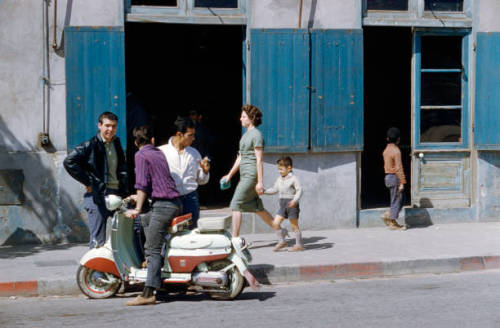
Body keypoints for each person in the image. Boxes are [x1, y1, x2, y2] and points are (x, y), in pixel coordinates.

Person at [125, 125, 181, 306]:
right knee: (146, 224)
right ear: (153, 141)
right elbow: (152, 183)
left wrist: (137, 208)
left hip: (163, 205)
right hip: (173, 203)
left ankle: (148, 293)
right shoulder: (158, 153)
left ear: (135, 142)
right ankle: (157, 275)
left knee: (152, 248)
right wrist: (139, 199)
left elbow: (141, 184)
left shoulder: (140, 155)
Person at [63, 112, 129, 248]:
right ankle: (94, 270)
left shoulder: (116, 143)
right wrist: (88, 182)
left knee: (123, 239)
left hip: (117, 195)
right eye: (107, 126)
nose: (110, 129)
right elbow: (69, 162)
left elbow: (122, 169)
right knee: (98, 241)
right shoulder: (90, 145)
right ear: (99, 125)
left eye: (114, 126)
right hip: (97, 196)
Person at [220, 104, 276, 237]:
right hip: (244, 174)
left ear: (251, 118)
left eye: (243, 116)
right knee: (257, 208)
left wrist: (260, 182)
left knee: (236, 204)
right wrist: (229, 175)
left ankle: (235, 239)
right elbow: (240, 158)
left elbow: (259, 160)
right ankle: (281, 232)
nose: (240, 119)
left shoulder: (256, 135)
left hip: (251, 175)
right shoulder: (245, 136)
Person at [158, 117, 210, 229]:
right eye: (190, 135)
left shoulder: (194, 153)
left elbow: (201, 180)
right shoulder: (162, 152)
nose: (194, 138)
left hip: (190, 199)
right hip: (170, 200)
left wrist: (205, 171)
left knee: (191, 233)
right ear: (179, 134)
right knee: (170, 233)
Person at [264, 156, 304, 252]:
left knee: (294, 226)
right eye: (278, 169)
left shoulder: (294, 179)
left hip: (292, 205)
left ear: (289, 168)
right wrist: (264, 191)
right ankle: (282, 241)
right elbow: (274, 189)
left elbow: (300, 190)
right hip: (282, 205)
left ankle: (298, 245)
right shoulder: (279, 179)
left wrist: (294, 200)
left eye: (281, 169)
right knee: (275, 223)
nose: (279, 171)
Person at [381, 127, 406, 230]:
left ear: (387, 139)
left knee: (400, 199)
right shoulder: (396, 151)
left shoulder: (386, 150)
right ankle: (392, 222)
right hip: (394, 177)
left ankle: (390, 215)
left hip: (388, 177)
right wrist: (402, 182)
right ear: (398, 139)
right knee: (396, 200)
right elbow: (398, 168)